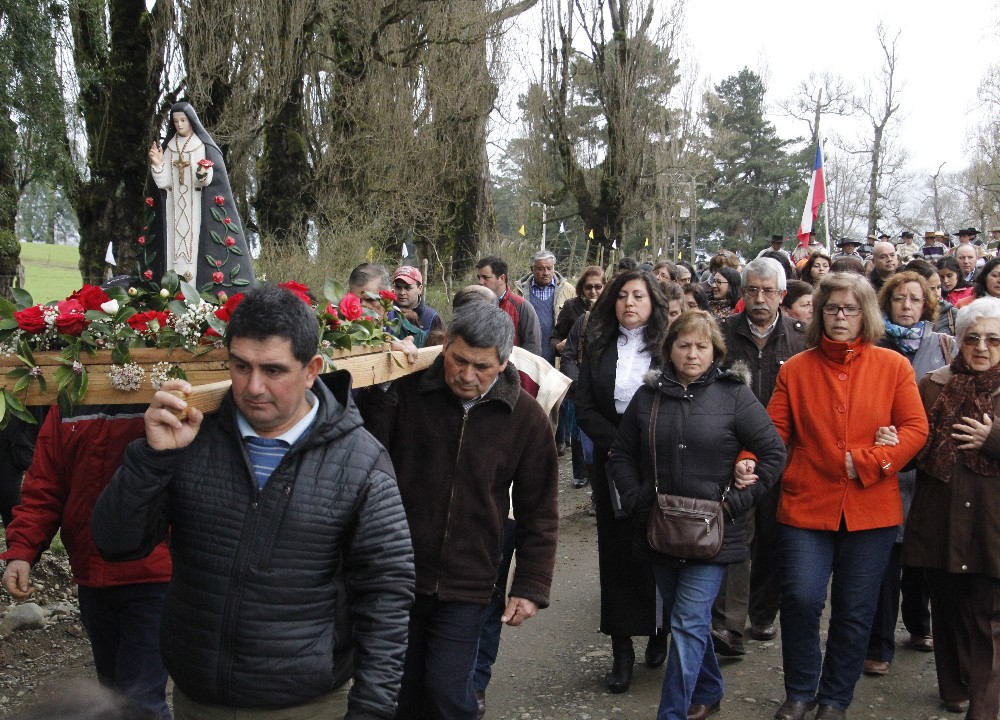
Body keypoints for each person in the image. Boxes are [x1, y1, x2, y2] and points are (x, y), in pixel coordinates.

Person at [92, 283, 415, 719]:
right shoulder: (192, 438)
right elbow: (115, 543)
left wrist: (371, 711)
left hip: (306, 705)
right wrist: (152, 459)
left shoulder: (360, 462)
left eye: (274, 370)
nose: (253, 387)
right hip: (199, 701)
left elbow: (386, 597)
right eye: (240, 366)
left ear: (312, 369)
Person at [358, 302, 559, 720]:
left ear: (505, 362)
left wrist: (531, 584)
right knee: (399, 692)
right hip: (400, 573)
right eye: (459, 360)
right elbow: (367, 457)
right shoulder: (408, 392)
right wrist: (379, 376)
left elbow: (538, 508)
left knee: (448, 694)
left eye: (481, 367)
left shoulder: (525, 419)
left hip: (470, 581)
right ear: (444, 346)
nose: (467, 376)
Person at [765, 272, 929, 720]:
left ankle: (835, 699)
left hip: (871, 507)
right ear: (819, 314)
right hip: (806, 503)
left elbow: (916, 429)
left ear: (866, 315)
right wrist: (748, 459)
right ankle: (799, 690)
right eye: (832, 309)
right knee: (800, 598)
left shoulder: (893, 366)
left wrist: (875, 460)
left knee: (855, 610)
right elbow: (774, 433)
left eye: (850, 309)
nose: (840, 317)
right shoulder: (796, 370)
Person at [607, 310, 786, 720]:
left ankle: (671, 712)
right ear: (668, 349)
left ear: (715, 351)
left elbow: (774, 453)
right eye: (683, 345)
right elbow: (621, 454)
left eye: (701, 346)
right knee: (686, 621)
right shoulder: (648, 396)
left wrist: (737, 504)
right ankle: (708, 687)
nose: (692, 354)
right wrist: (637, 500)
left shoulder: (735, 395)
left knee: (687, 620)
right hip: (660, 529)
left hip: (715, 535)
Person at [1, 405, 172, 717]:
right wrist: (22, 551)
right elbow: (45, 485)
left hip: (155, 578)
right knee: (108, 700)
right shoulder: (70, 403)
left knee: (141, 702)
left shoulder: (164, 395)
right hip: (93, 578)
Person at [575, 269, 672, 694]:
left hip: (661, 461)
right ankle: (621, 648)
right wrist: (617, 446)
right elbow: (585, 406)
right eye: (623, 296)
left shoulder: (669, 349)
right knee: (616, 554)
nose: (629, 303)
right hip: (613, 459)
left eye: (639, 296)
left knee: (662, 546)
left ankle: (659, 630)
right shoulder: (597, 348)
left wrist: (643, 445)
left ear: (653, 303)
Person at [902, 297, 1000, 719]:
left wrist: (993, 441)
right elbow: (913, 443)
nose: (982, 347)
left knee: (987, 617)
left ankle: (985, 706)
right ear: (959, 341)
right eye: (973, 338)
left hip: (992, 524)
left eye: (994, 340)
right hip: (938, 519)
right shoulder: (933, 384)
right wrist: (894, 441)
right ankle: (954, 686)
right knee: (945, 609)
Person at [710, 258, 806, 657]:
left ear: (783, 295)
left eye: (769, 291)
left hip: (785, 456)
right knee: (735, 538)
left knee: (774, 538)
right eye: (753, 290)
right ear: (742, 293)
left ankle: (764, 613)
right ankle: (729, 625)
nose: (760, 298)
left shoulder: (800, 339)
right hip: (733, 456)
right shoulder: (722, 335)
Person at [862, 272, 951, 677]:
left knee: (923, 557)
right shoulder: (873, 345)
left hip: (929, 471)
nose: (907, 306)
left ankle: (919, 625)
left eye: (915, 299)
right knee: (887, 561)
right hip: (888, 470)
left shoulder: (943, 346)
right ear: (887, 303)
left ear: (926, 305)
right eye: (899, 299)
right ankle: (879, 644)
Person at [146, 102, 255, 291]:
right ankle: (174, 291)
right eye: (175, 121)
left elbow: (204, 182)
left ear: (191, 121)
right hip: (173, 207)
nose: (179, 125)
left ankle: (196, 290)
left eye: (183, 120)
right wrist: (157, 164)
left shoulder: (199, 146)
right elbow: (164, 183)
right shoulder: (170, 147)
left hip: (194, 205)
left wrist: (203, 171)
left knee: (195, 248)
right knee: (172, 251)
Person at [552, 266, 606, 487]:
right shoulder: (572, 309)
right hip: (579, 381)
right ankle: (581, 473)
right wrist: (560, 347)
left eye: (598, 287)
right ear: (582, 288)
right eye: (589, 287)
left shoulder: (612, 311)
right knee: (578, 429)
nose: (593, 291)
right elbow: (558, 341)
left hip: (604, 383)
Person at [515, 250, 576, 364]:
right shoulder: (519, 292)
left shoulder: (569, 290)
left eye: (549, 268)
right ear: (531, 269)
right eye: (541, 268)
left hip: (557, 358)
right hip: (528, 358)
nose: (546, 272)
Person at [476, 256, 542, 355]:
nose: (480, 282)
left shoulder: (521, 307)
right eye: (479, 277)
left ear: (502, 278)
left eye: (485, 277)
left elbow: (532, 347)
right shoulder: (474, 305)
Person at [391, 265, 444, 337]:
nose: (402, 292)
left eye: (407, 288)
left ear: (420, 289)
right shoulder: (386, 313)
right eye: (398, 287)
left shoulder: (431, 318)